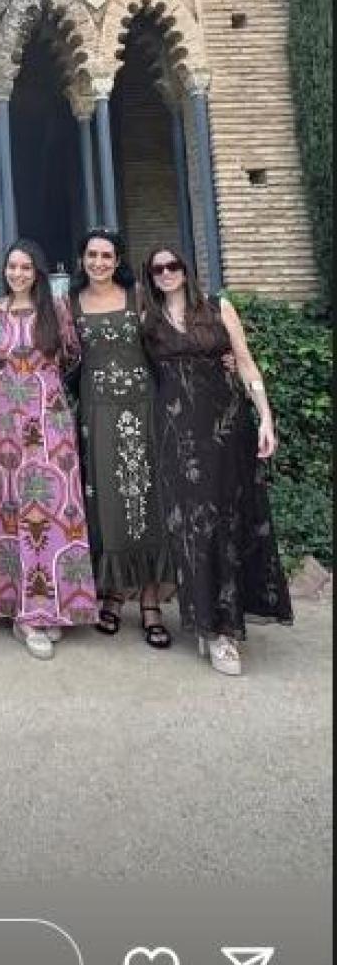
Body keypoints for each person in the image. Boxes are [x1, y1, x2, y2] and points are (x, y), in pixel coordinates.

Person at [140, 245, 293, 676]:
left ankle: (222, 622)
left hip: (226, 430)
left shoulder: (217, 307)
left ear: (186, 269)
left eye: (173, 265)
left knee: (228, 521)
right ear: (150, 276)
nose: (166, 273)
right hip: (177, 438)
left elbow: (244, 363)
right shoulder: (147, 320)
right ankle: (214, 629)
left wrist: (266, 417)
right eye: (157, 269)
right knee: (194, 527)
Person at [0, 240, 97, 660]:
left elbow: (73, 357)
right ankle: (25, 614)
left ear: (37, 272)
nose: (18, 273)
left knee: (57, 508)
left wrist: (44, 387)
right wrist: (8, 395)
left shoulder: (56, 310)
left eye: (26, 267)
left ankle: (56, 605)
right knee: (16, 510)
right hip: (9, 422)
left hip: (51, 420)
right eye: (12, 266)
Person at [69, 228, 172, 648]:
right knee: (107, 505)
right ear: (82, 260)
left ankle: (150, 602)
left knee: (147, 501)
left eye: (106, 256)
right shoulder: (69, 303)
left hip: (142, 410)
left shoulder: (139, 298)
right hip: (96, 414)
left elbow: (170, 340)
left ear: (118, 261)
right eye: (92, 255)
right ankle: (112, 593)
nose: (98, 263)